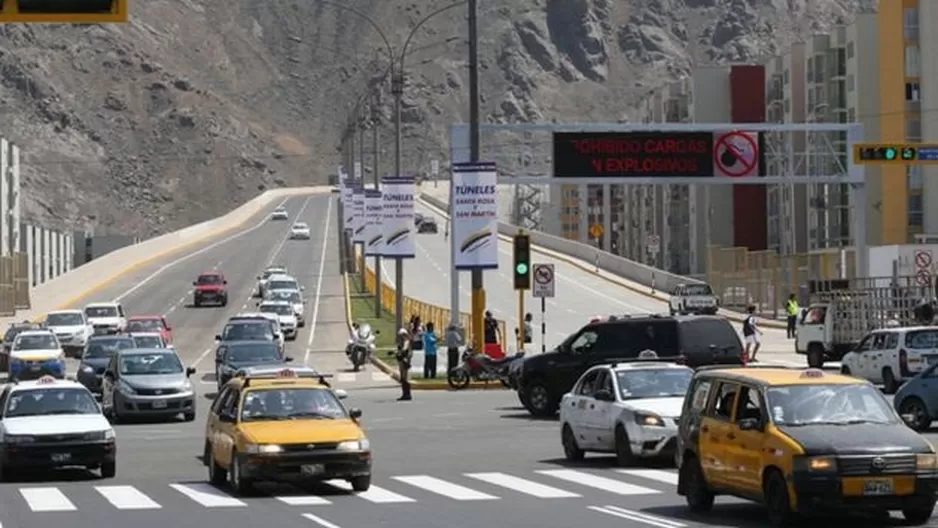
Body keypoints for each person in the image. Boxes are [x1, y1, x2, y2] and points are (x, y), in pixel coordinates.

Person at [395, 328, 412, 401]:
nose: (401, 337)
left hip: (405, 361)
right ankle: (405, 394)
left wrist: (400, 352)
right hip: (402, 360)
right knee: (402, 378)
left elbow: (404, 350)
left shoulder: (406, 341)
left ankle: (407, 394)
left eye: (402, 335)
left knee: (404, 378)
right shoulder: (402, 342)